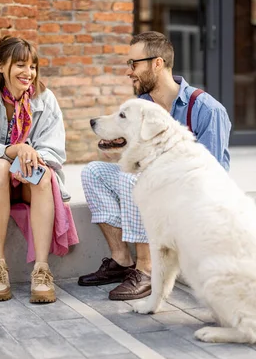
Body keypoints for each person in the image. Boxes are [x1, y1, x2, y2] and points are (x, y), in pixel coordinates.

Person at [78, 31, 231, 300]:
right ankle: (122, 260)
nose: (129, 72)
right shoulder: (141, 106)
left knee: (134, 179)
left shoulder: (207, 109)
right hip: (157, 191)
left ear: (157, 64)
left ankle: (148, 270)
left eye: (134, 64)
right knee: (94, 173)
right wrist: (117, 148)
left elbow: (212, 176)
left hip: (190, 201)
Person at [0, 36, 79, 304]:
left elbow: (54, 150)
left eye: (33, 66)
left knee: (43, 173)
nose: (28, 73)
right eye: (21, 65)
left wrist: (30, 157)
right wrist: (15, 150)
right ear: (1, 66)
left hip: (28, 180)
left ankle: (42, 270)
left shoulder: (45, 99)